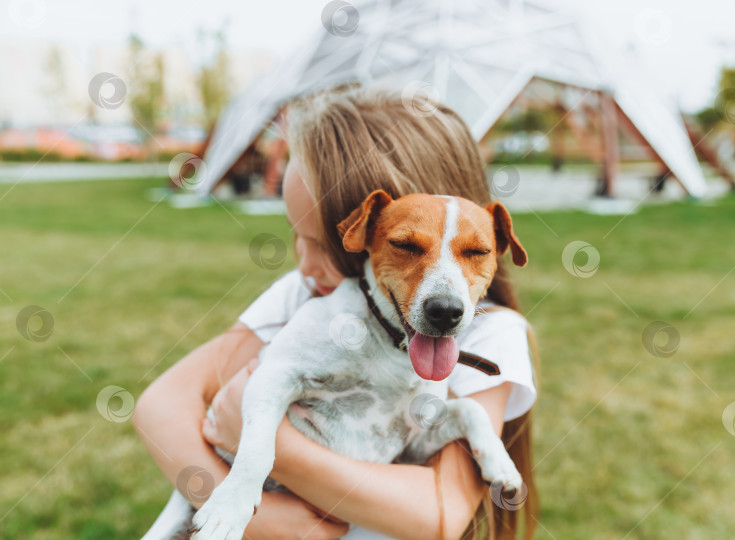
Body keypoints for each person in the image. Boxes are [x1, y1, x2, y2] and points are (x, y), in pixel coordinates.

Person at [133, 86, 539, 540]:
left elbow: (437, 513)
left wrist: (283, 459)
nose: (304, 265)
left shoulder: (493, 335)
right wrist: (244, 504)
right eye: (406, 247)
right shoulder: (302, 293)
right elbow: (159, 404)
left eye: (323, 245)